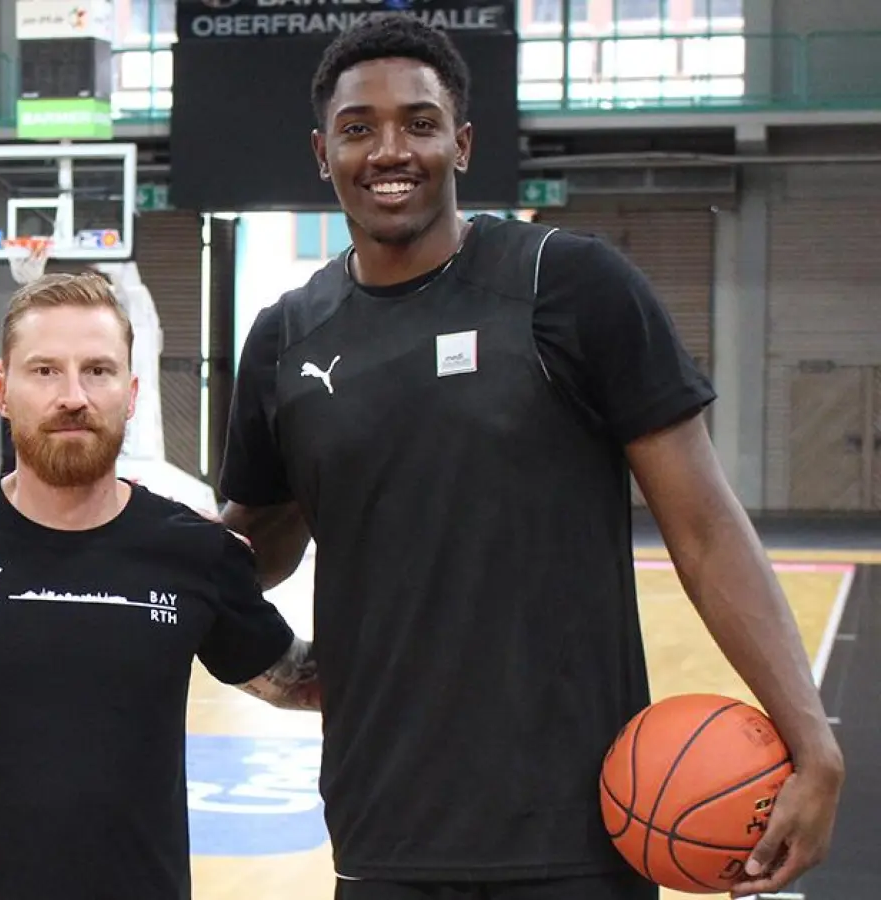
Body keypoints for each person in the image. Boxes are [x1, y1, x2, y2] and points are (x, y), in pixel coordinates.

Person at [217, 17, 843, 900]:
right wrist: (257, 648)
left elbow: (703, 529)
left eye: (420, 123)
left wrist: (812, 744)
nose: (389, 149)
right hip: (380, 827)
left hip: (577, 828)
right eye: (359, 128)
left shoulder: (571, 286)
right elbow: (255, 540)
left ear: (462, 143)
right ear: (324, 152)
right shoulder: (286, 335)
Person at [0, 271, 319, 899]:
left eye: (98, 371)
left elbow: (297, 680)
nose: (73, 395)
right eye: (45, 370)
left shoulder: (195, 552)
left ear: (131, 393)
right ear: (0, 388)